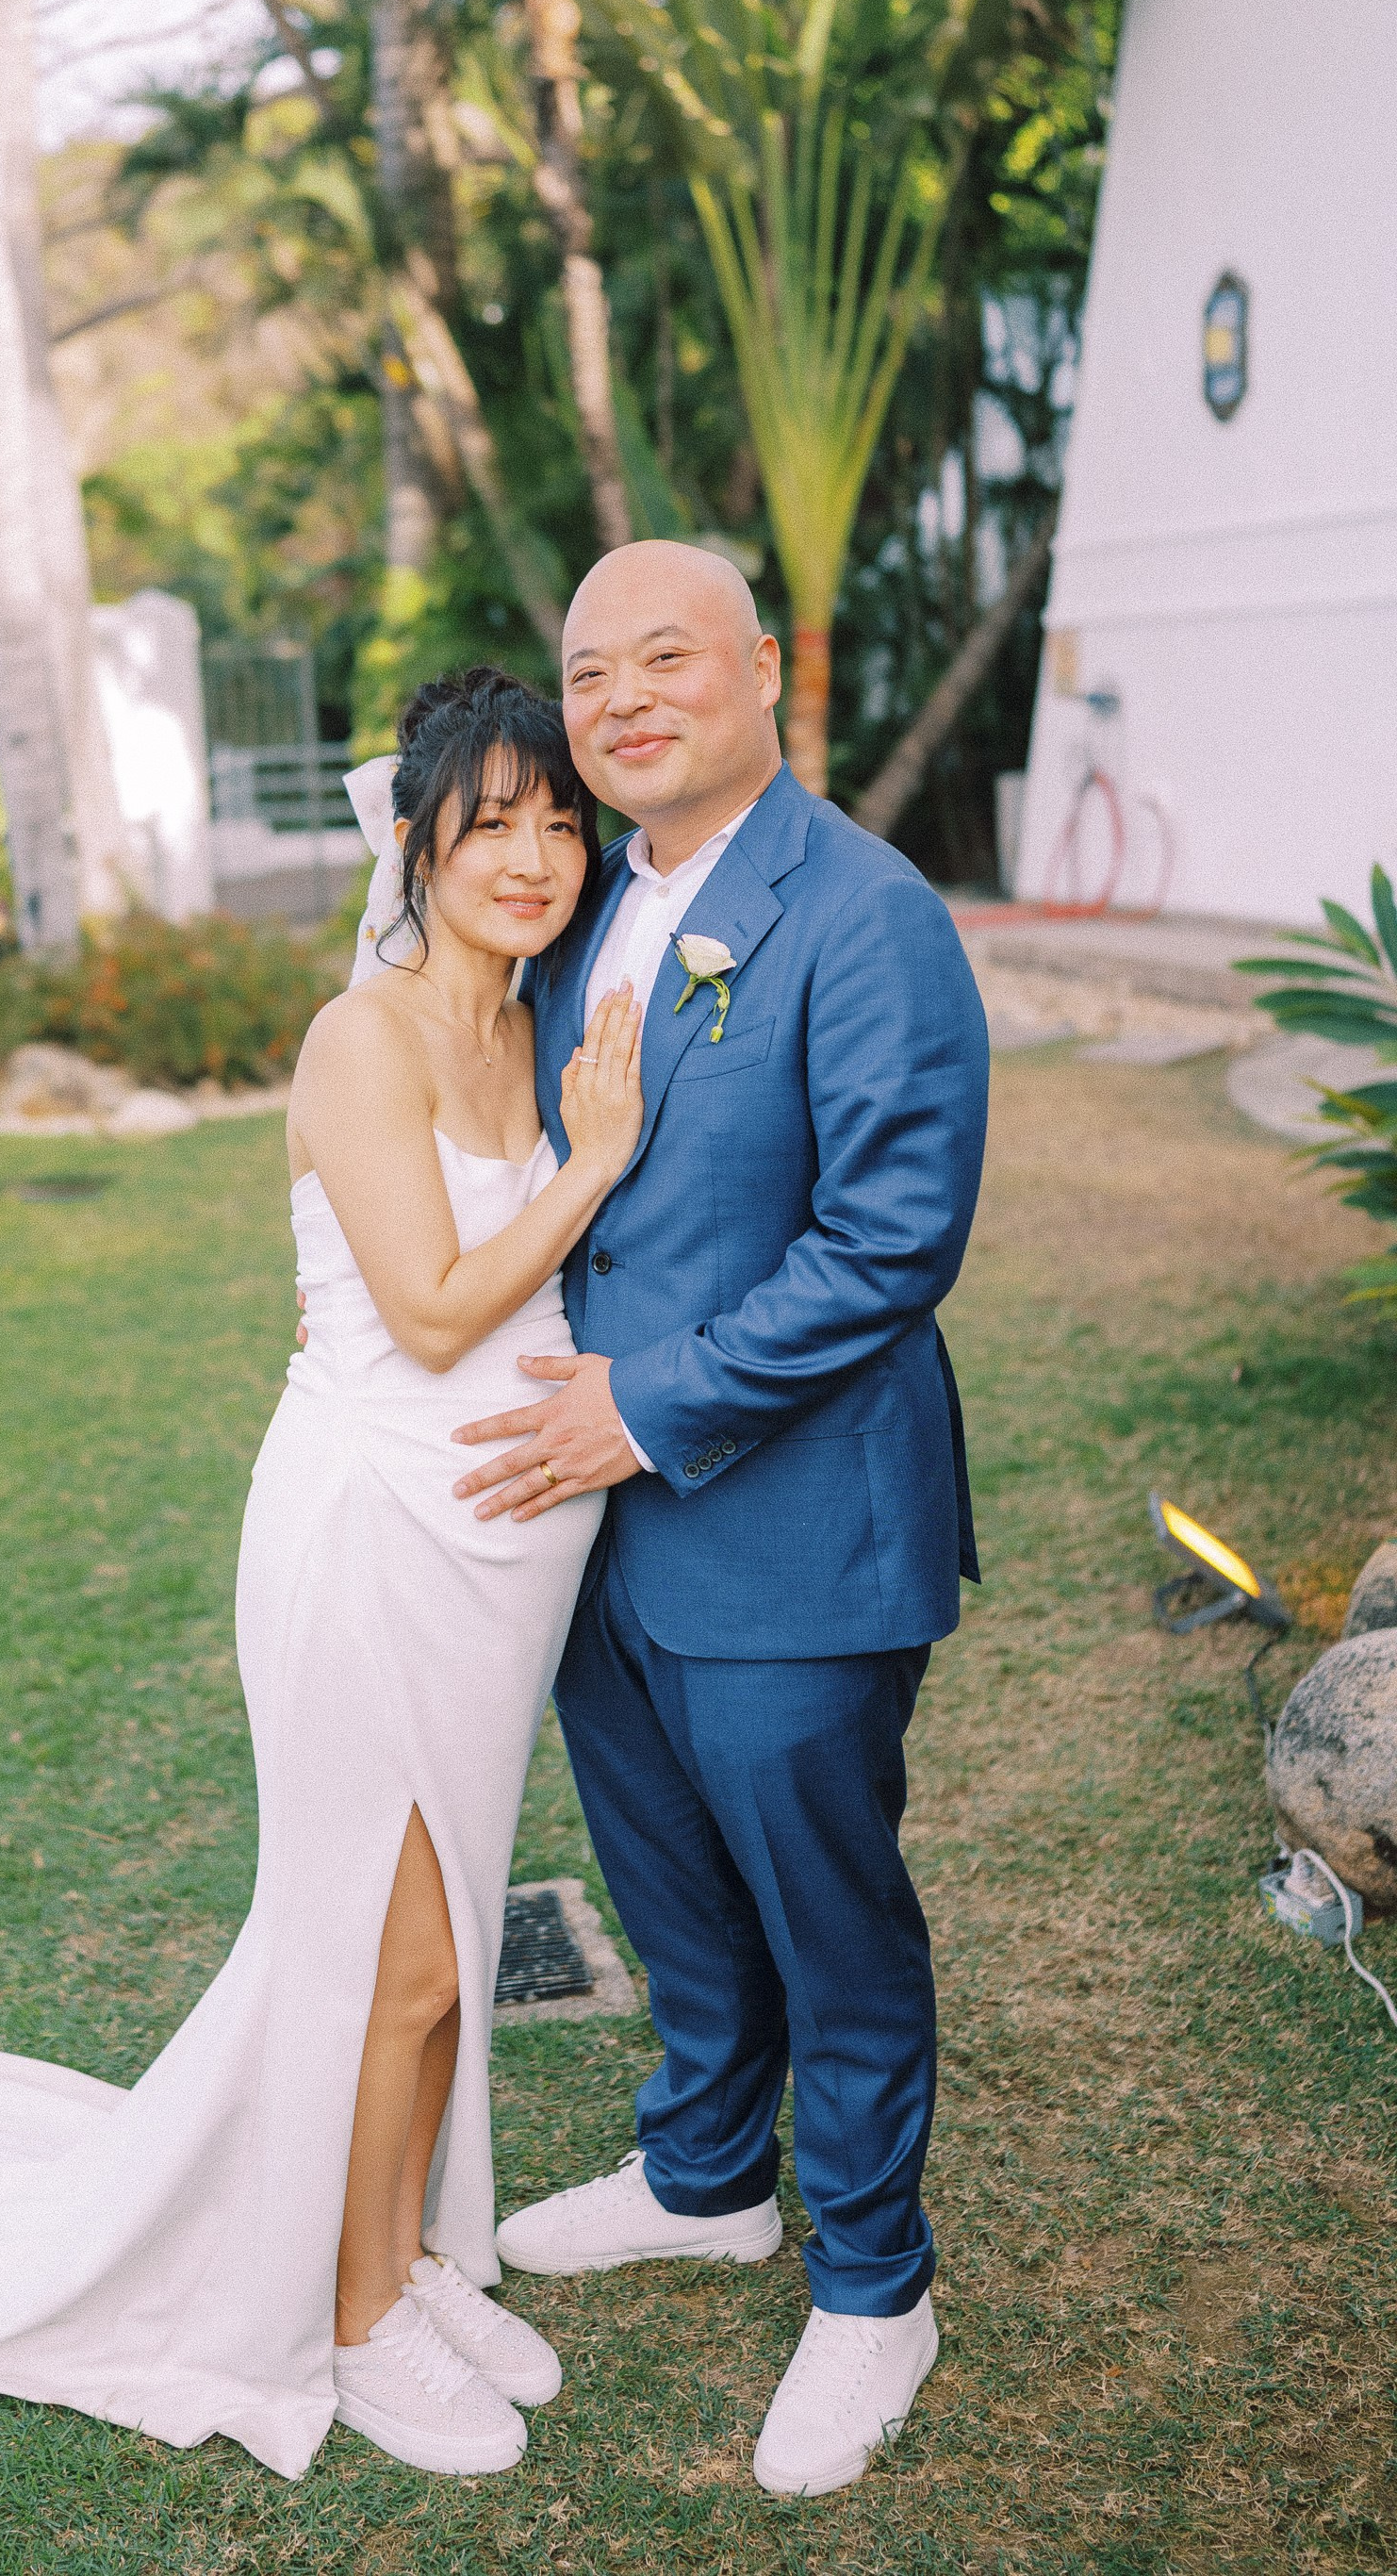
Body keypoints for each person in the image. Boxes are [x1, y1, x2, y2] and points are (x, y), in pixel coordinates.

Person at [0, 669, 643, 2484]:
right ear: (416, 842)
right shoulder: (360, 1038)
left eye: (561, 822)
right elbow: (437, 1305)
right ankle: (353, 2320)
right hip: (368, 1542)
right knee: (380, 1961)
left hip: (496, 1569)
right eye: (494, 827)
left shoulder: (535, 1025)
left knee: (450, 1950)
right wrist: (600, 1160)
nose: (537, 857)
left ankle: (392, 2258)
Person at [451, 541, 990, 2499]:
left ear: (765, 670)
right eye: (588, 674)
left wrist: (642, 1407)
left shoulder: (864, 910)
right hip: (590, 1527)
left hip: (790, 1521)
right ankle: (705, 2179)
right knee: (667, 1876)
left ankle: (874, 2286)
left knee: (824, 1913)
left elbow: (888, 1243)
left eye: (663, 656)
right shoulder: (588, 904)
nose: (620, 701)